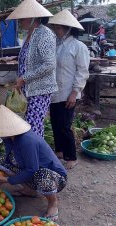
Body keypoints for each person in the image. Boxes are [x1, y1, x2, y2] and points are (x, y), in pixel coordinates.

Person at [0, 105, 67, 221]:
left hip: (55, 177)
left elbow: (32, 169)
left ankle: (53, 203)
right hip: (34, 168)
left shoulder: (27, 141)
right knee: (2, 163)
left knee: (41, 175)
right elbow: (9, 158)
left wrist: (9, 180)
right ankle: (29, 190)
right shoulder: (9, 138)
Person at [7, 0, 57, 137]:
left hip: (39, 90)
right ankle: (25, 156)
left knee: (33, 127)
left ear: (33, 17)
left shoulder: (44, 34)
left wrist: (25, 78)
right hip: (27, 89)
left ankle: (34, 156)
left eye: (22, 18)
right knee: (23, 125)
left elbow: (49, 64)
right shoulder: (28, 35)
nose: (19, 21)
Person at [48, 10, 90, 169]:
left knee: (65, 126)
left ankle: (71, 156)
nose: (56, 31)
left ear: (68, 29)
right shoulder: (57, 45)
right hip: (55, 91)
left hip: (68, 92)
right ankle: (59, 150)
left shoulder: (79, 47)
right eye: (55, 28)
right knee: (55, 123)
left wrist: (74, 92)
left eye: (58, 28)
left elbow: (82, 71)